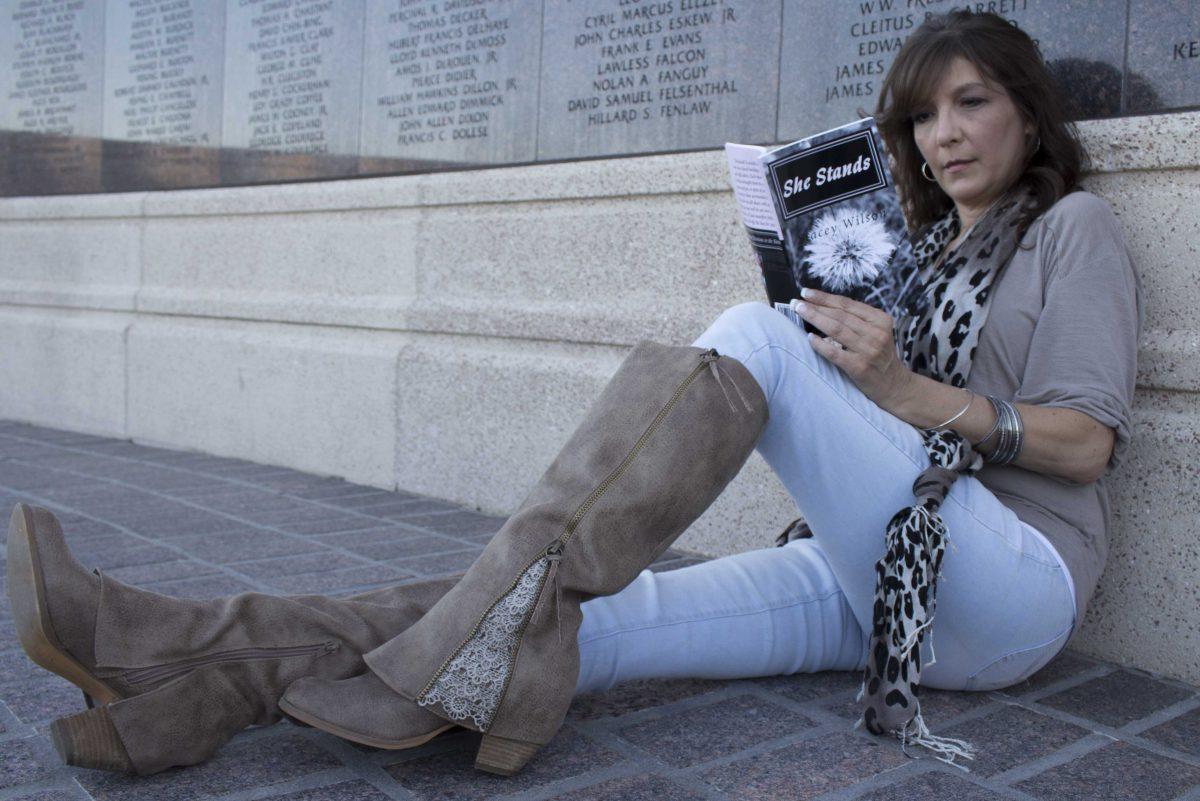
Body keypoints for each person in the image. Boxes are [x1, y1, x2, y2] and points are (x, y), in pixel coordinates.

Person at [6, 9, 1142, 779]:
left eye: (971, 103)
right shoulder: (915, 254)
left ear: (1029, 116)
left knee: (750, 338)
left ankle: (435, 643)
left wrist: (891, 387)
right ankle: (176, 668)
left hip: (1008, 588)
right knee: (559, 627)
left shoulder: (1071, 232)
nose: (944, 133)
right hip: (867, 582)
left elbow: (1086, 445)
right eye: (924, 116)